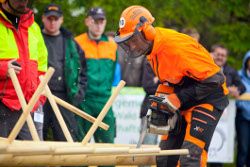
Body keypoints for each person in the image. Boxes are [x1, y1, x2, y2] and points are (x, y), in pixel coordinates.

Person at [114, 6, 229, 167]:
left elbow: (215, 80)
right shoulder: (152, 53)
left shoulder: (176, 47)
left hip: (208, 98)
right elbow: (169, 80)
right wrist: (160, 100)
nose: (131, 46)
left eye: (133, 40)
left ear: (146, 32)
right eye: (128, 42)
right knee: (165, 158)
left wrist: (178, 98)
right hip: (185, 99)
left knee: (190, 158)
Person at [0, 0, 47, 140]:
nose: (23, 3)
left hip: (31, 104)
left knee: (35, 157)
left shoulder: (34, 28)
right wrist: (2, 68)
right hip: (4, 104)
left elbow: (42, 66)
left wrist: (40, 97)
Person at [75, 7, 117, 163]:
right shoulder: (77, 42)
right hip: (83, 102)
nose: (98, 25)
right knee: (80, 150)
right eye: (95, 21)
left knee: (107, 150)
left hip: (105, 102)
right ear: (87, 21)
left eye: (101, 21)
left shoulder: (112, 45)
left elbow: (112, 74)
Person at [41, 3, 87, 141]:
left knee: (66, 139)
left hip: (64, 98)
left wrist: (79, 92)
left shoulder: (71, 43)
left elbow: (83, 71)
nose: (52, 22)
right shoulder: (35, 38)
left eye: (56, 19)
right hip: (39, 97)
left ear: (61, 20)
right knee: (35, 138)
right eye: (49, 19)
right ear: (43, 19)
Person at [209, 44, 246, 167]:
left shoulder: (231, 71)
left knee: (219, 147)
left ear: (226, 58)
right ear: (212, 54)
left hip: (223, 117)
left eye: (223, 55)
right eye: (218, 54)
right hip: (205, 113)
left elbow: (242, 87)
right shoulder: (205, 66)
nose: (220, 57)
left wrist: (236, 90)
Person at [235, 51, 250, 167]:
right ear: (246, 61)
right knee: (243, 149)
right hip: (243, 118)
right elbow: (235, 95)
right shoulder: (238, 75)